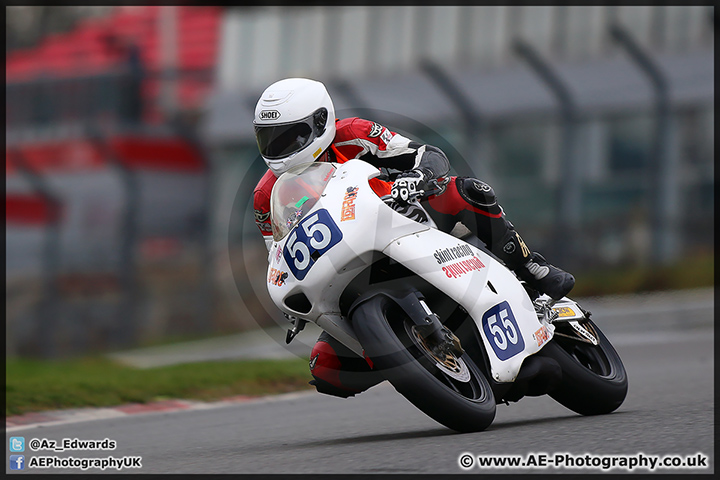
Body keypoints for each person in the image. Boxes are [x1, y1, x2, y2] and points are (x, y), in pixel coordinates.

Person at [252, 78, 575, 398]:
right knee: (327, 370)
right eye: (270, 139)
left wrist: (417, 178)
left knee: (463, 190)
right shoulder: (265, 194)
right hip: (346, 262)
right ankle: (417, 360)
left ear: (321, 121)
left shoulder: (355, 133)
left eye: (293, 135)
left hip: (411, 222)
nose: (280, 149)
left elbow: (428, 155)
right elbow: (277, 251)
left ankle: (529, 266)